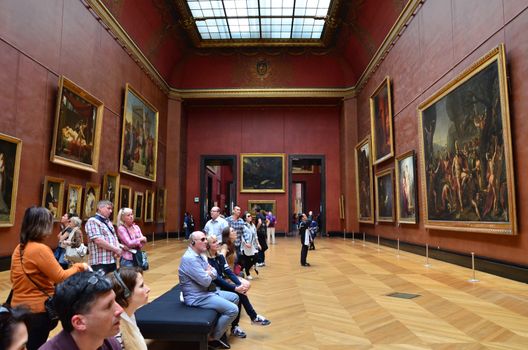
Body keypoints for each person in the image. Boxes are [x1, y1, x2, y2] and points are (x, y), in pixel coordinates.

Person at [10, 206, 89, 350]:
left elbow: (13, 278)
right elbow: (61, 276)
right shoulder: (40, 249)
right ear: (42, 226)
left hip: (17, 308)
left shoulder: (19, 248)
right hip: (37, 312)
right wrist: (80, 266)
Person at [178, 231, 239, 350]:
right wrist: (209, 272)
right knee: (233, 310)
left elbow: (214, 274)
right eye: (202, 239)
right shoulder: (189, 258)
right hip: (197, 297)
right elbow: (206, 281)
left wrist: (208, 272)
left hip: (207, 292)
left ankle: (218, 328)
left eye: (206, 239)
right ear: (192, 243)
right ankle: (213, 338)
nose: (206, 241)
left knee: (235, 297)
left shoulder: (200, 254)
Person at [206, 235, 270, 339]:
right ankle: (249, 319)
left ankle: (242, 323)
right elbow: (217, 279)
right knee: (238, 292)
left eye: (217, 241)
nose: (217, 243)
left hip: (223, 282)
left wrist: (239, 284)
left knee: (240, 290)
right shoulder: (206, 260)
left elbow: (229, 272)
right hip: (214, 287)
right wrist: (236, 288)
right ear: (208, 246)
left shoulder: (220, 256)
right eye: (214, 242)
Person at [40, 271, 123, 350]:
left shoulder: (111, 344)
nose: (120, 310)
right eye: (108, 306)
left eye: (115, 300)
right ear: (79, 322)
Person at [108, 268, 150, 350]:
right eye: (141, 286)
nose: (148, 289)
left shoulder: (129, 315)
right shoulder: (116, 332)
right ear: (126, 294)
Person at [85, 200, 122, 274]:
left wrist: (117, 249)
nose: (111, 211)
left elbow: (114, 237)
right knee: (101, 284)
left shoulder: (108, 222)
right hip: (100, 262)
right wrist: (115, 249)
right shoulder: (92, 221)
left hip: (112, 260)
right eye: (108, 208)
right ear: (99, 208)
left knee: (112, 284)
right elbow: (98, 241)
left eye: (111, 209)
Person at [240, 212, 260, 280]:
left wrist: (258, 244)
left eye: (250, 216)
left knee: (256, 256)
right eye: (248, 216)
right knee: (247, 259)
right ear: (245, 218)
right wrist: (245, 243)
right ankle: (247, 273)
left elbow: (255, 235)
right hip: (246, 245)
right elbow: (242, 236)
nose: (250, 217)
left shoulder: (253, 225)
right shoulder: (243, 226)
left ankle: (250, 267)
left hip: (253, 245)